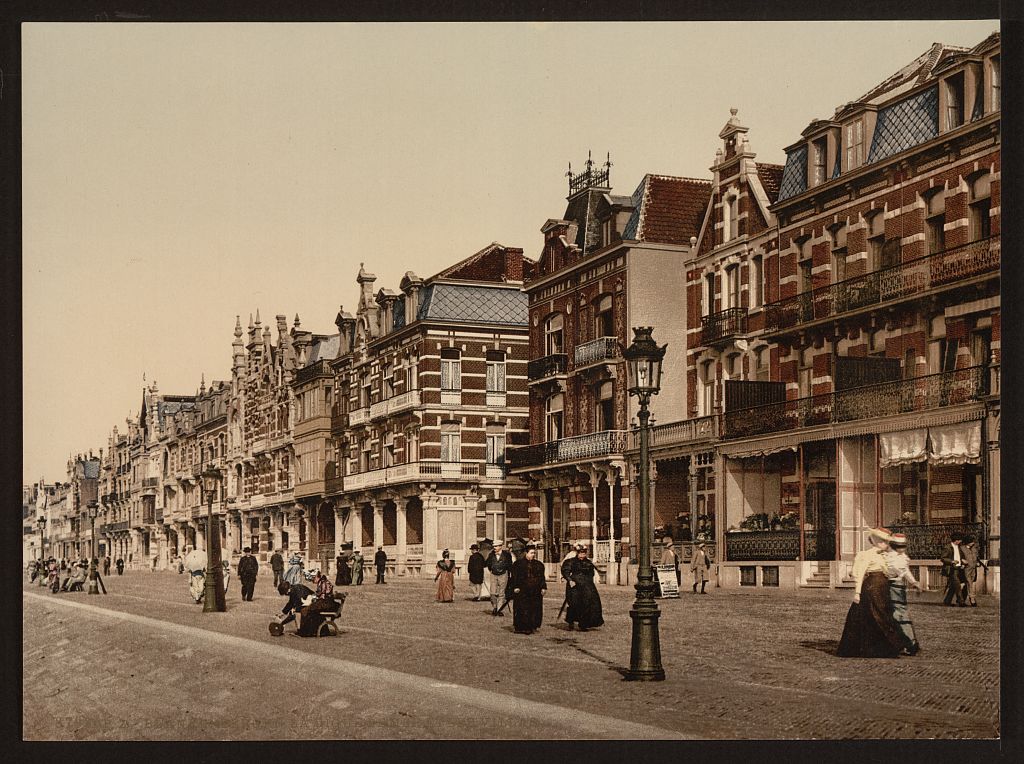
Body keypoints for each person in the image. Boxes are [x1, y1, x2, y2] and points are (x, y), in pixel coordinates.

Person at [837, 527, 906, 658]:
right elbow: (861, 572)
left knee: (885, 614)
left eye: (887, 542)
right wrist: (857, 593)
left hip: (883, 588)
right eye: (884, 542)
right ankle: (878, 646)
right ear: (877, 541)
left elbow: (890, 572)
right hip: (872, 587)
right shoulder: (866, 554)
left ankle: (884, 647)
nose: (886, 544)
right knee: (875, 615)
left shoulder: (885, 556)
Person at [886, 533, 924, 656]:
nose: (902, 549)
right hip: (890, 586)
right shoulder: (888, 557)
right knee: (896, 614)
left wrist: (914, 582)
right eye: (899, 546)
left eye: (903, 546)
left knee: (900, 614)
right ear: (894, 546)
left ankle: (909, 642)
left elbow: (905, 570)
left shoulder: (902, 557)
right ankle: (904, 642)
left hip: (898, 587)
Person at [561, 544, 603, 630]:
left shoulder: (588, 562)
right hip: (574, 586)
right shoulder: (571, 561)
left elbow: (591, 573)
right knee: (574, 604)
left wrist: (589, 583)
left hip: (586, 586)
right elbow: (565, 571)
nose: (582, 555)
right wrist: (570, 580)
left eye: (584, 553)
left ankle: (583, 624)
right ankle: (571, 621)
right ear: (577, 553)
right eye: (580, 553)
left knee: (587, 604)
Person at [510, 544, 546, 634]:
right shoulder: (518, 564)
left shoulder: (539, 565)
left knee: (535, 608)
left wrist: (543, 587)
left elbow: (541, 577)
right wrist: (515, 586)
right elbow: (514, 577)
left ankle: (533, 625)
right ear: (526, 553)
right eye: (531, 553)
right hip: (522, 591)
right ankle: (521, 627)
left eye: (534, 553)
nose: (533, 555)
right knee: (522, 608)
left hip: (535, 590)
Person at [295, 568, 339, 637]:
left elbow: (322, 595)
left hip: (326, 603)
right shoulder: (322, 582)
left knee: (305, 610)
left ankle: (304, 632)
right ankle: (312, 631)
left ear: (316, 577)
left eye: (313, 579)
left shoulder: (323, 583)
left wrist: (312, 599)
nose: (312, 581)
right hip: (325, 603)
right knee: (307, 609)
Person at [940, 533, 968, 607]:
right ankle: (961, 601)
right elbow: (943, 558)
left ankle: (947, 601)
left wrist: (962, 561)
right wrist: (952, 561)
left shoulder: (958, 547)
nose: (961, 541)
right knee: (958, 585)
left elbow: (960, 557)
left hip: (959, 568)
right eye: (960, 540)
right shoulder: (947, 547)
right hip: (952, 569)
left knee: (953, 586)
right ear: (956, 540)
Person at [486, 540, 513, 616]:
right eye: (494, 546)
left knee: (502, 593)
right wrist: (492, 569)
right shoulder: (491, 554)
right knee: (492, 593)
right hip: (493, 574)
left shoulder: (507, 555)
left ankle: (499, 609)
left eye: (496, 546)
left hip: (503, 574)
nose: (494, 548)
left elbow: (510, 565)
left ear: (500, 546)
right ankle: (494, 607)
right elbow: (488, 564)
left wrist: (510, 574)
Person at [960, 535, 985, 607]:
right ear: (967, 542)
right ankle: (972, 599)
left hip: (973, 569)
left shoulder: (974, 549)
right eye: (971, 542)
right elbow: (959, 557)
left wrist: (977, 563)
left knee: (970, 584)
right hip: (966, 568)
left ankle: (961, 600)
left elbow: (976, 557)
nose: (973, 543)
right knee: (969, 583)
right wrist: (962, 561)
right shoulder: (962, 549)